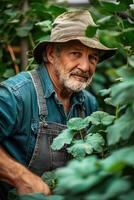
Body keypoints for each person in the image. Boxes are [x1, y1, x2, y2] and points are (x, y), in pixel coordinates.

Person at [0, 10, 115, 199]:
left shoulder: (88, 104)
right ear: (52, 54)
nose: (85, 67)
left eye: (92, 57)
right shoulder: (17, 95)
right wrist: (20, 176)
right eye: (76, 53)